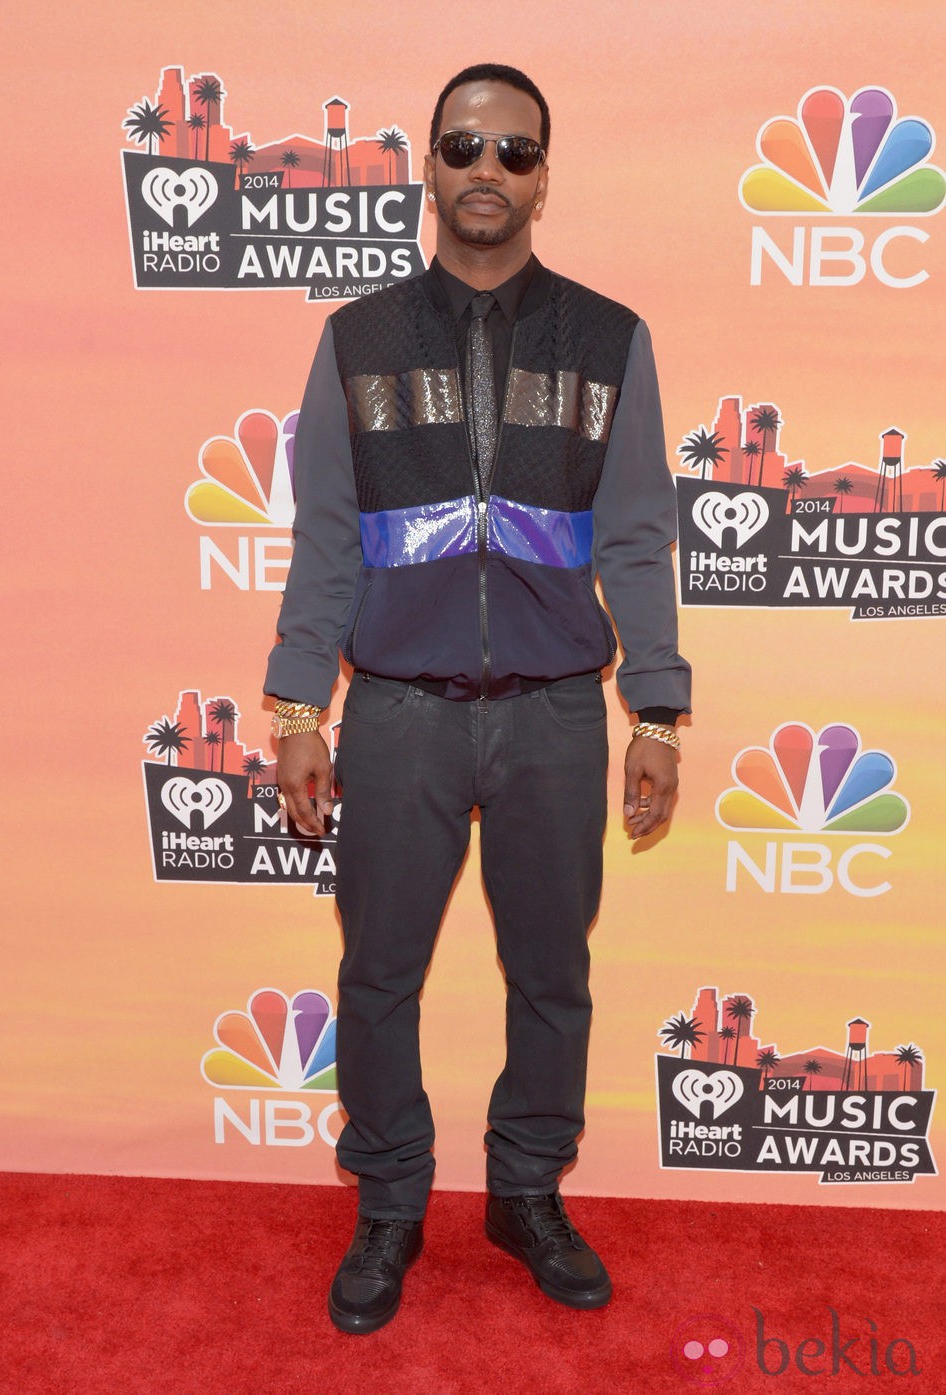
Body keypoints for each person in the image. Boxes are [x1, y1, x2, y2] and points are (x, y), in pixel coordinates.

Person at [265, 62, 691, 1334]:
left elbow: (634, 538)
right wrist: (296, 708)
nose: (487, 173)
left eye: (514, 153)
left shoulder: (609, 339)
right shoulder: (357, 340)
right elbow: (326, 538)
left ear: (543, 177)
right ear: (431, 169)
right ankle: (390, 1201)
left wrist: (655, 711)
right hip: (395, 715)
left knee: (551, 975)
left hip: (560, 714)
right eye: (464, 148)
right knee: (379, 974)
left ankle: (523, 1192)